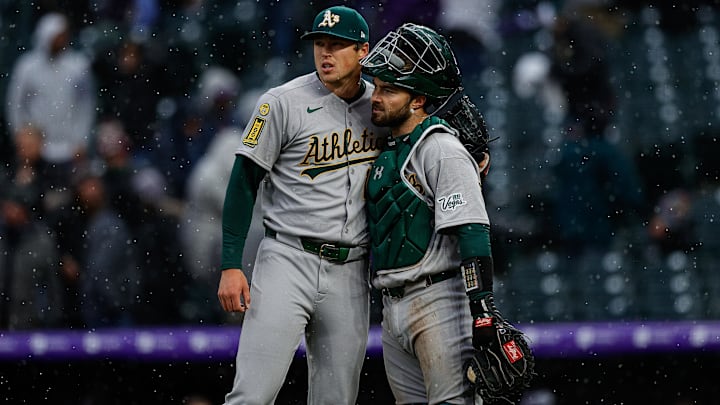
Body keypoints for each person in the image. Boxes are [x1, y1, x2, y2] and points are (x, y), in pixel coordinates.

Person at [216, 5, 383, 404]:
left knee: (336, 399)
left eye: (337, 46)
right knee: (251, 396)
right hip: (287, 258)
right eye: (320, 44)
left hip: (351, 267)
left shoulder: (382, 106)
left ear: (363, 51)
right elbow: (243, 183)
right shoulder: (281, 102)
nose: (325, 54)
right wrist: (230, 263)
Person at [360, 23, 506, 404]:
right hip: (391, 303)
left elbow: (472, 231)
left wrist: (482, 311)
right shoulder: (390, 148)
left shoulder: (439, 147)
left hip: (439, 298)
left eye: (388, 90)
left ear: (418, 100)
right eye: (376, 86)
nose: (376, 96)